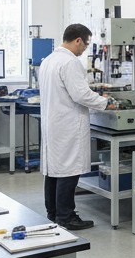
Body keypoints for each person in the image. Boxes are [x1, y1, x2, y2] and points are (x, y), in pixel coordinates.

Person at [40, 24, 115, 229]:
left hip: (54, 124)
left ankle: (54, 213)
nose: (84, 50)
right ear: (78, 40)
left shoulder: (49, 60)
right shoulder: (69, 62)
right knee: (68, 171)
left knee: (54, 170)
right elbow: (80, 95)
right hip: (67, 125)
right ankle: (66, 217)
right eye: (86, 44)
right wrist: (105, 102)